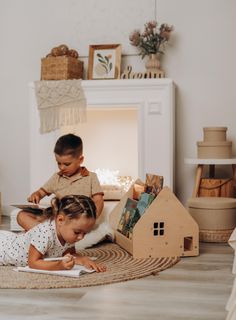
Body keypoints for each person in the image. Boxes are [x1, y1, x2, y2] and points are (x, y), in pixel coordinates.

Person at [17, 133, 104, 231]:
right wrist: (36, 195)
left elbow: (98, 200)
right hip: (56, 218)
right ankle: (47, 235)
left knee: (75, 222)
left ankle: (48, 235)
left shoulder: (91, 177)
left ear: (80, 160)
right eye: (58, 163)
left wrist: (92, 218)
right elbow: (41, 192)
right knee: (22, 215)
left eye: (67, 164)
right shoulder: (57, 177)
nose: (62, 167)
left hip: (77, 220)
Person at [0, 195, 106, 272]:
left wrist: (83, 260)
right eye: (77, 232)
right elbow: (33, 263)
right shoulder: (44, 234)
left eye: (85, 233)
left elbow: (69, 254)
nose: (81, 237)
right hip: (4, 249)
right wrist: (59, 266)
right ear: (60, 220)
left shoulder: (69, 235)